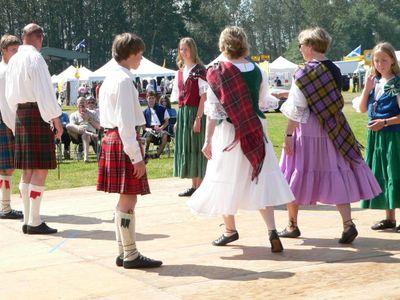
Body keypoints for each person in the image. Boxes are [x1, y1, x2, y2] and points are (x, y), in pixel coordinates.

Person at [188, 26, 294, 252]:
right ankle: (272, 231)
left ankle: (230, 230)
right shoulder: (257, 70)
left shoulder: (216, 70)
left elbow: (214, 111)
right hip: (256, 127)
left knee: (224, 177)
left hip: (229, 132)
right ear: (244, 43)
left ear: (223, 44)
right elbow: (264, 101)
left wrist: (208, 140)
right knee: (259, 177)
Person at [278, 27, 381, 243]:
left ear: (310, 46)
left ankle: (292, 224)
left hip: (307, 130)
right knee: (336, 173)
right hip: (334, 128)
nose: (300, 49)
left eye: (301, 45)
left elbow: (297, 109)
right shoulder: (334, 69)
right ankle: (348, 224)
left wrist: (288, 136)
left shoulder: (304, 73)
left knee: (294, 172)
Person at [97, 32, 162, 268]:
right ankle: (131, 254)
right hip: (122, 138)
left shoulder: (110, 78)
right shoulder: (123, 80)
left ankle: (123, 251)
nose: (141, 59)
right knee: (129, 199)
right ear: (130, 54)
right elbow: (125, 122)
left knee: (124, 200)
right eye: (140, 54)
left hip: (112, 138)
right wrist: (136, 157)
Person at [5, 23, 63, 234]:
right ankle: (35, 221)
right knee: (39, 169)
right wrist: (56, 119)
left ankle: (28, 221)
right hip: (37, 114)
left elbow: (8, 96)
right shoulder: (35, 58)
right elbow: (45, 92)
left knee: (27, 170)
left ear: (23, 37)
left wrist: (13, 121)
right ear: (40, 38)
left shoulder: (14, 60)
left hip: (20, 114)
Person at [356, 42, 400, 233]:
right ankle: (389, 218)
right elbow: (363, 108)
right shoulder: (374, 82)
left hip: (394, 136)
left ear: (392, 60)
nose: (380, 63)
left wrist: (384, 122)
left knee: (396, 174)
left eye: (384, 59)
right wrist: (367, 88)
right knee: (382, 174)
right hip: (376, 138)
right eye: (377, 60)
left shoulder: (397, 83)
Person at [170, 37, 208, 197]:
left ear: (192, 49)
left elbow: (204, 96)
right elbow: (178, 98)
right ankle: (194, 185)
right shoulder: (179, 72)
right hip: (184, 113)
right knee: (189, 147)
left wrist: (198, 119)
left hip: (196, 112)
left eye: (185, 48)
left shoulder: (200, 71)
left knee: (197, 147)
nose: (183, 52)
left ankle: (201, 186)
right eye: (181, 49)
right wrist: (179, 120)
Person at [0, 34, 23, 220]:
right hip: (5, 119)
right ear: (4, 51)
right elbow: (6, 103)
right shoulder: (5, 72)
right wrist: (13, 126)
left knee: (6, 167)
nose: (16, 53)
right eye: (13, 50)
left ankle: (5, 206)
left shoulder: (8, 70)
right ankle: (6, 209)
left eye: (18, 50)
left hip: (6, 119)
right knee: (7, 167)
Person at [66, 97, 100, 163]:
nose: (81, 104)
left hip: (91, 137)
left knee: (85, 135)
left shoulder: (93, 113)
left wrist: (89, 119)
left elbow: (98, 126)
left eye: (83, 102)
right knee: (68, 125)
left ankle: (86, 158)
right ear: (77, 105)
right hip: (77, 135)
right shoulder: (73, 115)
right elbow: (71, 126)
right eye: (80, 102)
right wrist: (79, 127)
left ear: (86, 104)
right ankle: (85, 132)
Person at [142, 91, 170, 159]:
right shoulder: (144, 112)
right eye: (149, 98)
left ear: (155, 99)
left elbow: (166, 122)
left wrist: (161, 128)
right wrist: (148, 129)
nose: (151, 100)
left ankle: (157, 155)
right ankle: (145, 154)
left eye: (153, 98)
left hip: (161, 130)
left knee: (165, 135)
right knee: (148, 136)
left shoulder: (163, 109)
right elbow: (143, 126)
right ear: (147, 99)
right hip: (150, 131)